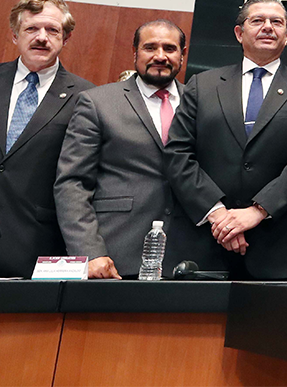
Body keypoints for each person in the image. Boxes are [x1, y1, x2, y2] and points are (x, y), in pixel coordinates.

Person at [165, 0, 287, 280]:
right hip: (205, 240)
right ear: (239, 33)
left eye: (276, 22)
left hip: (279, 247)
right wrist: (219, 216)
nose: (268, 27)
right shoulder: (201, 85)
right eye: (258, 20)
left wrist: (256, 211)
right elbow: (178, 154)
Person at [54, 20, 220, 279]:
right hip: (116, 253)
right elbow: (72, 183)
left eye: (170, 48)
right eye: (150, 47)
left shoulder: (207, 105)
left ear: (182, 55)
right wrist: (90, 252)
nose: (160, 56)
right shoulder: (98, 103)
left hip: (190, 259)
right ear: (135, 52)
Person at [0, 0, 93, 277]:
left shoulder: (86, 97)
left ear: (65, 39)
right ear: (15, 35)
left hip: (35, 245)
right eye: (31, 29)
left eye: (52, 30)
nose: (42, 37)